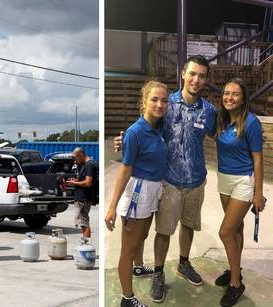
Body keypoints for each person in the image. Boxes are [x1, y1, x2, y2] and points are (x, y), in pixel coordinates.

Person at [114, 55, 217, 303]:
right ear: (183, 74)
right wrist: (124, 140)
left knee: (189, 225)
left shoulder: (209, 111)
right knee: (163, 231)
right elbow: (146, 127)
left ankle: (184, 262)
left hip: (196, 180)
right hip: (169, 181)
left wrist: (247, 140)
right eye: (192, 73)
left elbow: (222, 136)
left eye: (201, 76)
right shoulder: (167, 104)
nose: (196, 79)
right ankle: (159, 272)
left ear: (205, 79)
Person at [106, 81, 169, 307]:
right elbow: (125, 169)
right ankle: (127, 298)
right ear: (144, 101)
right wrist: (112, 207)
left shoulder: (159, 127)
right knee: (128, 248)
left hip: (154, 189)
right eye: (154, 99)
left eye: (164, 100)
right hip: (138, 192)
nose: (160, 104)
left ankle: (139, 267)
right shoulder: (135, 132)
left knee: (142, 236)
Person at [214, 78, 265, 306]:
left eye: (235, 94)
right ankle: (237, 269)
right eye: (226, 93)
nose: (229, 97)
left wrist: (257, 193)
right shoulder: (221, 119)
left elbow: (258, 159)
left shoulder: (251, 123)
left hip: (243, 181)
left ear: (244, 98)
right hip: (223, 179)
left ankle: (236, 283)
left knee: (225, 232)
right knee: (237, 229)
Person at [67, 147, 96, 239]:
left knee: (84, 223)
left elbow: (88, 183)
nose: (75, 160)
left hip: (84, 198)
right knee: (82, 222)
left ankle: (86, 244)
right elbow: (82, 179)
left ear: (81, 155)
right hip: (80, 197)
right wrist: (75, 180)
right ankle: (85, 242)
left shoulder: (89, 165)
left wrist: (74, 183)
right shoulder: (82, 164)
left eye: (76, 157)